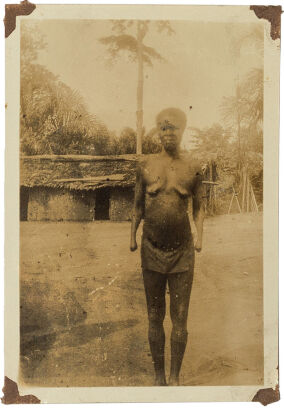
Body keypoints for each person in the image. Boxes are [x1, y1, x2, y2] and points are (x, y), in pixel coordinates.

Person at [130, 107, 205, 386]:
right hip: (151, 249)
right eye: (163, 127)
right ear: (157, 132)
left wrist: (200, 237)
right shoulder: (146, 166)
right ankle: (159, 377)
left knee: (180, 316)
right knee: (154, 314)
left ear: (183, 130)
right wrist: (132, 236)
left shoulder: (193, 166)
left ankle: (174, 378)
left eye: (173, 127)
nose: (168, 132)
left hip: (182, 251)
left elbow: (199, 207)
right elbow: (137, 205)